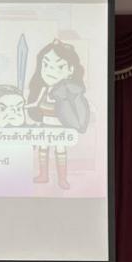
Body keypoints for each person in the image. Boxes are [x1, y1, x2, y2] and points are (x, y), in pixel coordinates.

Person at [25, 39, 89, 189]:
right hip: (45, 125)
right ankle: (43, 175)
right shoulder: (43, 89)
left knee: (60, 150)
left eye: (59, 66)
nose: (50, 71)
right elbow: (36, 104)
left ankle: (62, 179)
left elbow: (74, 110)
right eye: (45, 65)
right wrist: (26, 106)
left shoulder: (69, 91)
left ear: (70, 70)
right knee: (43, 148)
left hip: (60, 128)